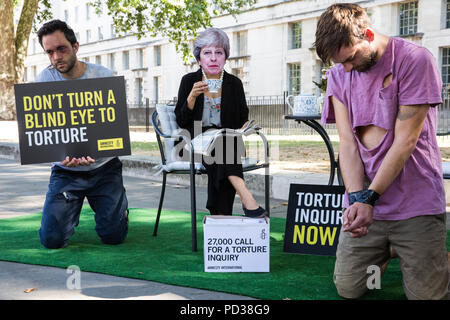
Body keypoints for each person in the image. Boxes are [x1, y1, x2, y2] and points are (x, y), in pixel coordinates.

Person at [314, 3, 449, 299]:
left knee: (427, 296)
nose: (346, 69)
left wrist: (370, 198)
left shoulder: (414, 59)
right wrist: (357, 201)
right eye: (339, 63)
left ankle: (428, 252)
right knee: (350, 289)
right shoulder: (339, 74)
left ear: (369, 34)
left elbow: (405, 142)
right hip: (368, 203)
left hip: (416, 201)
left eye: (350, 58)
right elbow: (348, 145)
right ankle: (386, 250)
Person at [35, 20, 129, 249]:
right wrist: (60, 156)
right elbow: (44, 132)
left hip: (104, 168)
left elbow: (114, 126)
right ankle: (67, 211)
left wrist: (97, 151)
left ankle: (118, 211)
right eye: (50, 52)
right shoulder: (44, 81)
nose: (56, 56)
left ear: (76, 46)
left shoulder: (103, 76)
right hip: (66, 172)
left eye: (61, 49)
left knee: (113, 236)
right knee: (52, 240)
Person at [175, 27, 266, 217]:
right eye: (207, 53)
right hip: (193, 145)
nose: (213, 58)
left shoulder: (234, 84)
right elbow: (182, 122)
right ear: (199, 59)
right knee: (223, 148)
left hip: (227, 144)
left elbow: (242, 118)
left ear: (225, 57)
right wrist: (191, 97)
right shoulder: (189, 81)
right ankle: (246, 200)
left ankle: (219, 216)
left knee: (223, 146)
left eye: (219, 52)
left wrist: (245, 127)